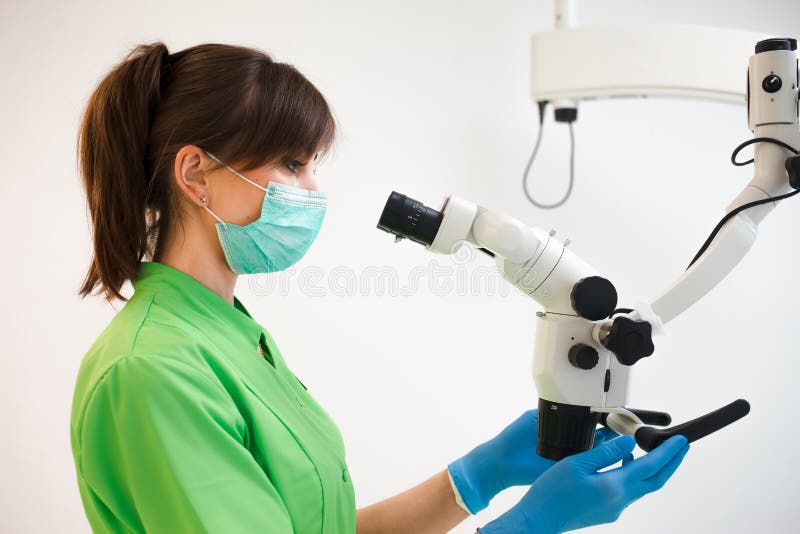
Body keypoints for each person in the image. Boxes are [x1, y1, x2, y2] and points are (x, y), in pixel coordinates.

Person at [70, 41, 690, 534]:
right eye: (291, 163)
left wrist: (472, 480)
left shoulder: (231, 334)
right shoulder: (153, 374)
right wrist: (527, 528)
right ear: (195, 173)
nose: (311, 191)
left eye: (313, 166)